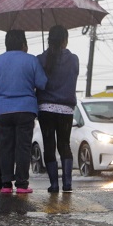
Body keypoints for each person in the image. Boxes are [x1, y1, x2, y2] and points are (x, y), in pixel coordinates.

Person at [0, 29, 48, 194]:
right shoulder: (31, 60)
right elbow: (42, 83)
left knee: (6, 147)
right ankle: (22, 184)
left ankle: (6, 184)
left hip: (2, 110)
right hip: (25, 109)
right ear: (24, 44)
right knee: (23, 147)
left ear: (6, 44)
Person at [36, 25, 79, 193]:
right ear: (64, 40)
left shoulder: (40, 59)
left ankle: (54, 185)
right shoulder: (74, 59)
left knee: (49, 145)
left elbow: (38, 82)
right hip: (66, 109)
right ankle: (67, 184)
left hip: (45, 108)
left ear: (49, 40)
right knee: (64, 145)